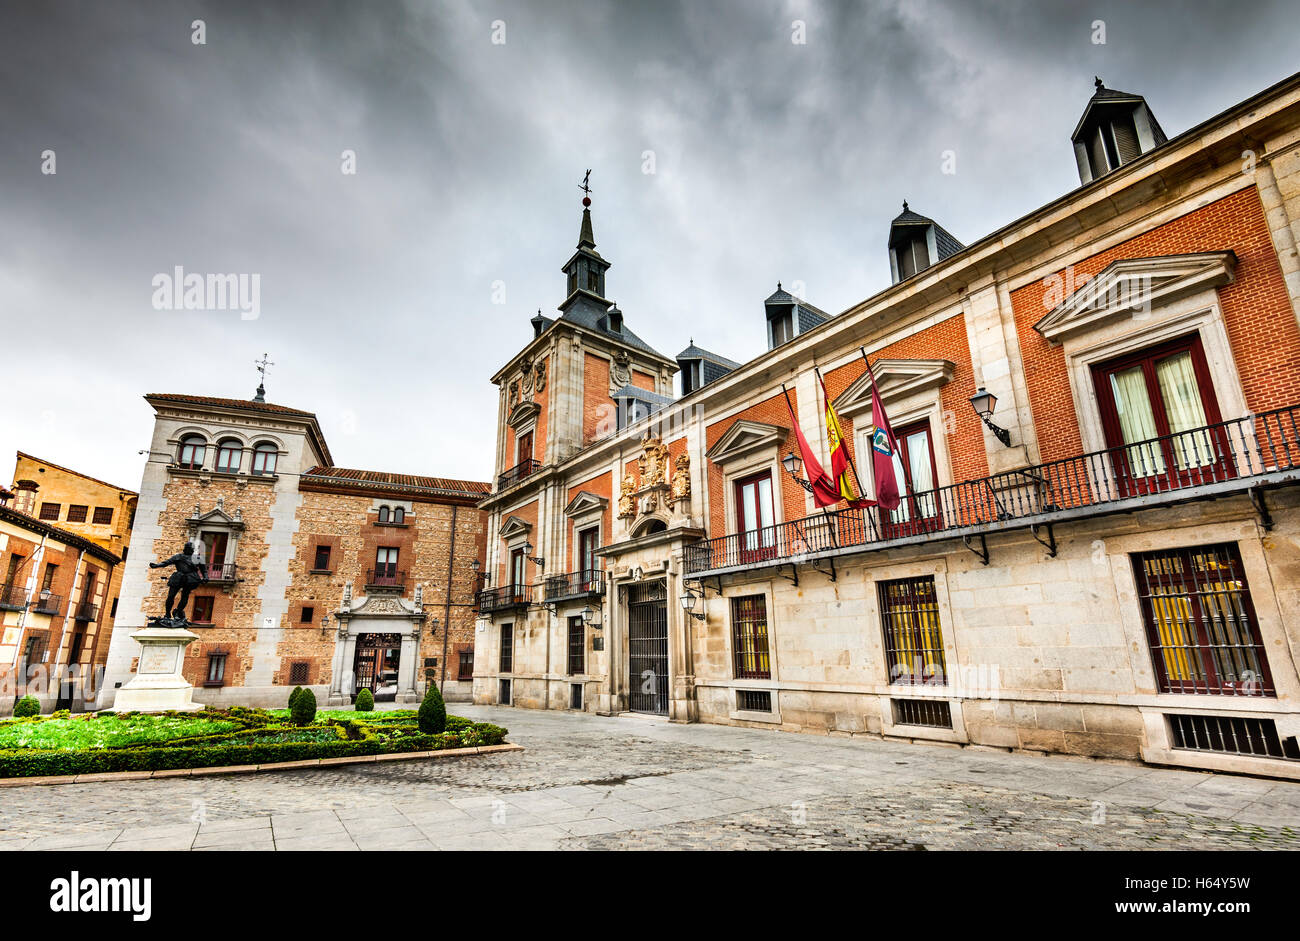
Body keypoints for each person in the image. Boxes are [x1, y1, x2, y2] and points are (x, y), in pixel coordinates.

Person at [150, 542, 207, 624]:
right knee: (171, 596)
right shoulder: (178, 556)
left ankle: (178, 612)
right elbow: (166, 563)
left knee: (185, 596)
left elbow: (204, 570)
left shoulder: (198, 558)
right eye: (190, 548)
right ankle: (167, 613)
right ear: (186, 549)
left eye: (192, 548)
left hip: (190, 579)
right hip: (178, 577)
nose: (191, 550)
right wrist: (157, 565)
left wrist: (206, 577)